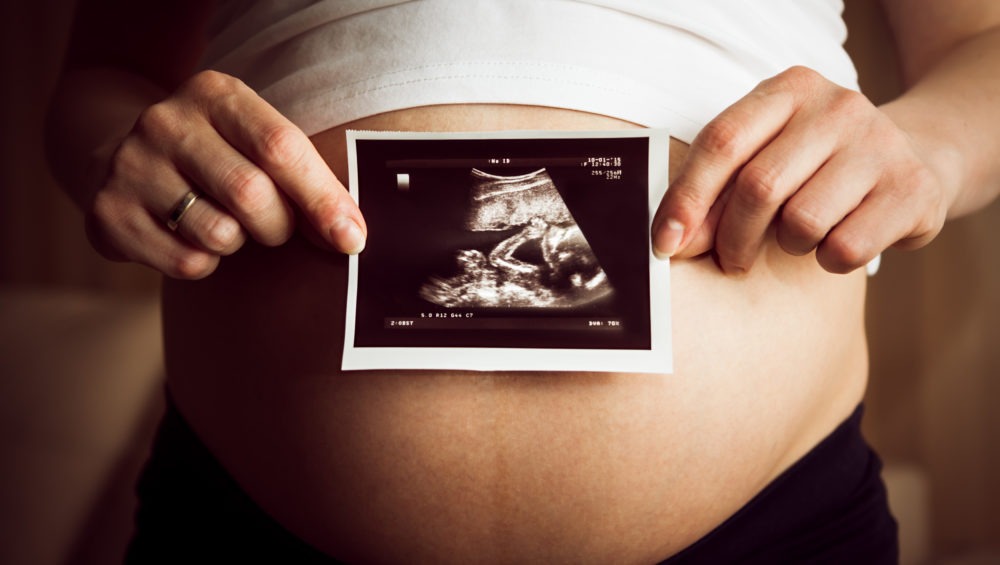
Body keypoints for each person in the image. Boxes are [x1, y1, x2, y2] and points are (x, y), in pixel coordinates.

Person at [46, 1, 1000, 563]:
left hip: (772, 523)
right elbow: (105, 72)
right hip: (249, 523)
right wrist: (109, 149)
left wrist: (931, 147)